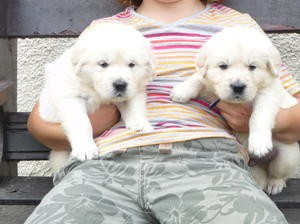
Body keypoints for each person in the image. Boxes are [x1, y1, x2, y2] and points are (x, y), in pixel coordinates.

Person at [25, 0, 300, 223]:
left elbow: (284, 96)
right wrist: (92, 126)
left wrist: (260, 122)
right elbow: (41, 121)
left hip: (206, 160)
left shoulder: (237, 26)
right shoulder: (104, 29)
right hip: (104, 161)